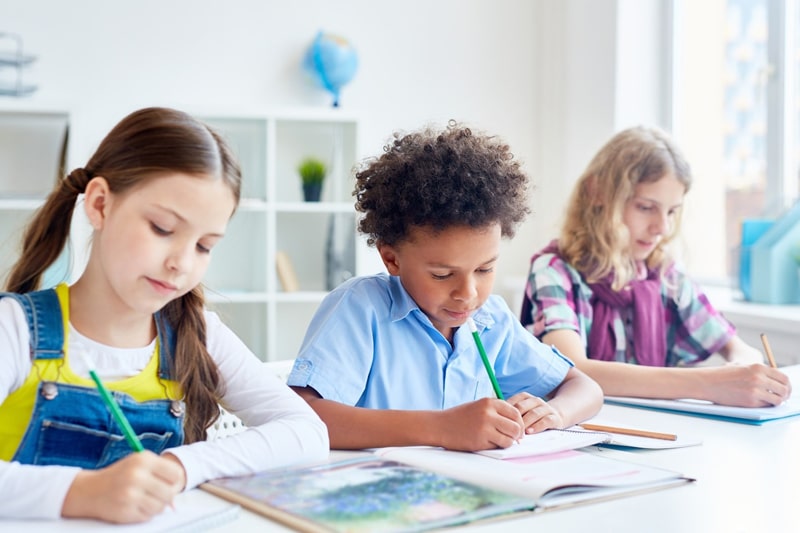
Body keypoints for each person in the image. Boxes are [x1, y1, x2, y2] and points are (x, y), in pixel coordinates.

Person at [0, 107, 328, 523]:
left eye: (204, 246)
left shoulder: (197, 333)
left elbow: (307, 432)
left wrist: (181, 466)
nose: (181, 263)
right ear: (100, 204)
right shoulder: (15, 329)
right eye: (162, 228)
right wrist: (82, 492)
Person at [288, 121, 603, 451]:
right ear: (392, 259)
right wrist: (440, 428)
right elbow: (303, 416)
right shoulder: (361, 308)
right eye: (442, 275)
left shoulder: (492, 320)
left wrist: (555, 412)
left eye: (484, 269)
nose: (468, 294)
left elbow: (585, 388)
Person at [521, 125, 792, 408]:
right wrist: (709, 383)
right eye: (645, 207)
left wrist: (745, 371)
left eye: (671, 211)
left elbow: (740, 349)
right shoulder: (553, 270)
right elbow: (572, 370)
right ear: (596, 192)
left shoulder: (666, 275)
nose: (662, 227)